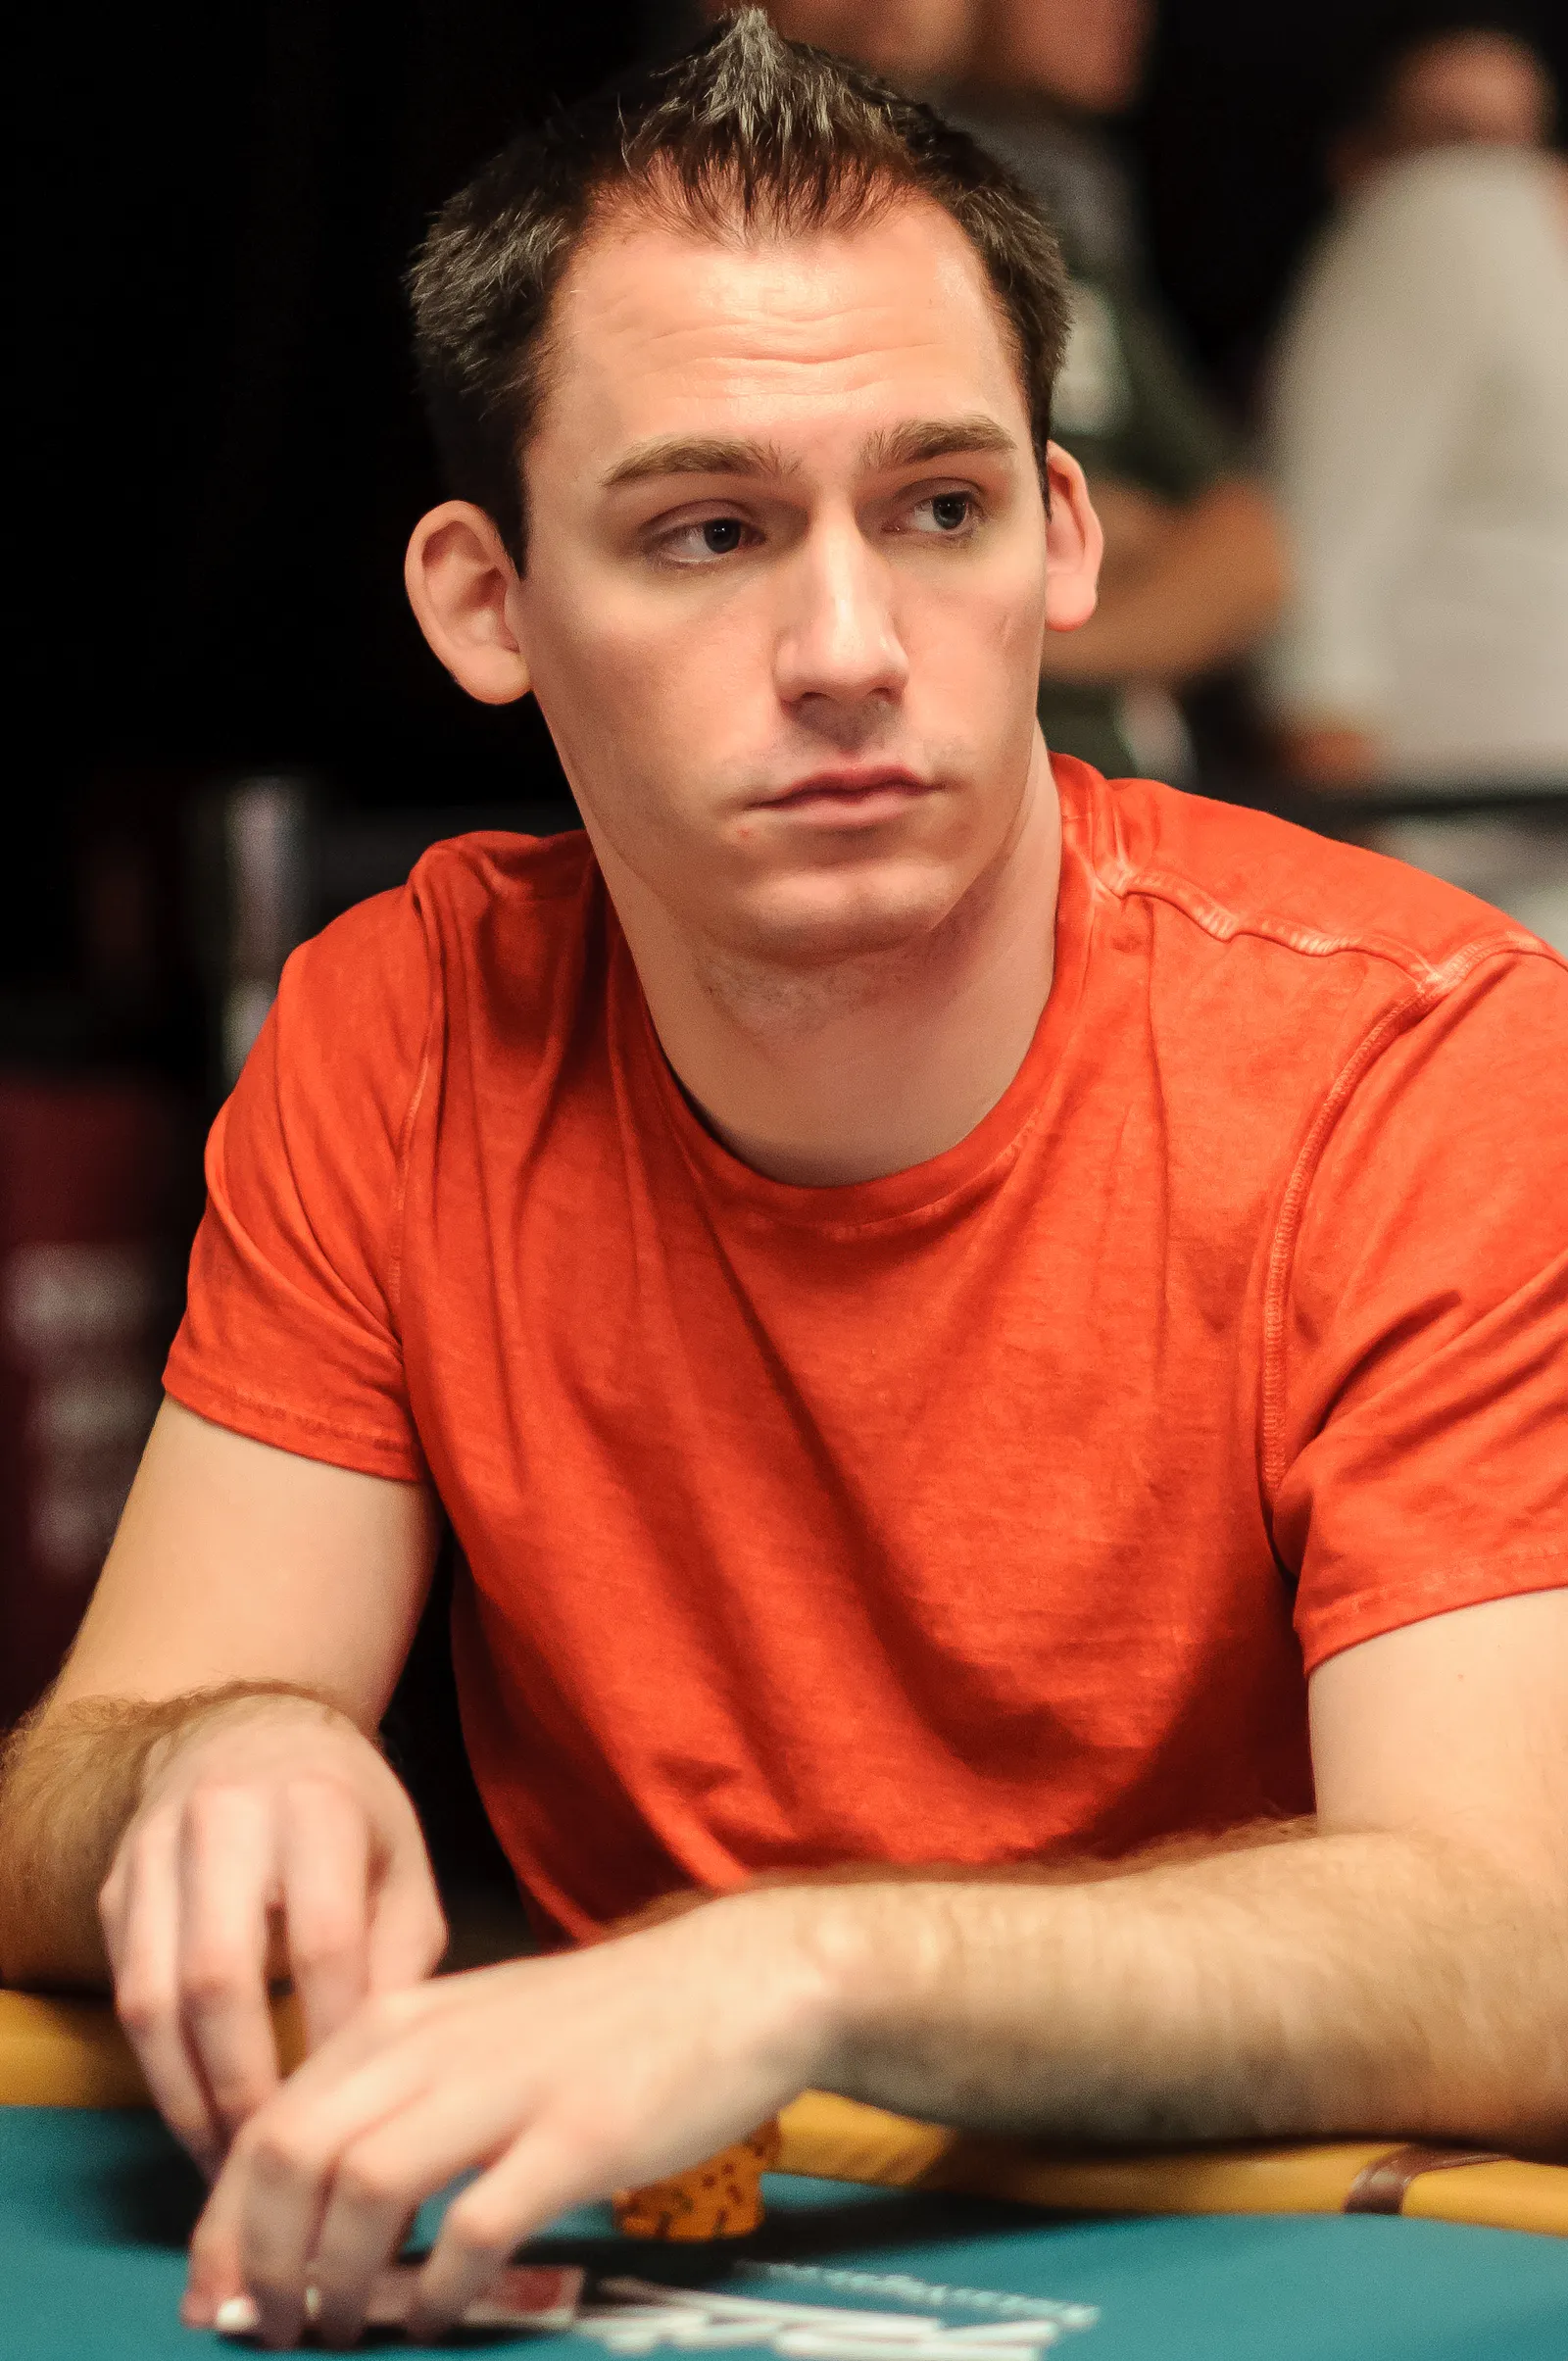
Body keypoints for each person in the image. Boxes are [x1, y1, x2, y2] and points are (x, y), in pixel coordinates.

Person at [1, 11, 1565, 2349]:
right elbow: (61, 1803)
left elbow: (1517, 1947)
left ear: (1058, 537)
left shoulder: (1421, 1052)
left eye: (933, 510)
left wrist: (796, 1966)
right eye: (707, 532)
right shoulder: (400, 1028)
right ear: (486, 602)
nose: (847, 652)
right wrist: (211, 1758)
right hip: (670, 2270)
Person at [759, 0, 1289, 779]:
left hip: (1103, 787)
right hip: (861, 771)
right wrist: (1102, 532)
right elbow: (839, 501)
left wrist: (1029, 638)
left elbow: (1249, 557)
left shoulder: (1041, 238)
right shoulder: (691, 245)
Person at [1263, 20, 1568, 789]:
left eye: (1520, 135)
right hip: (1463, 825)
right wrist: (1347, 832)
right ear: (1356, 157)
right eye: (1454, 137)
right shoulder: (1440, 222)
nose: (1493, 167)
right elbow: (1313, 566)